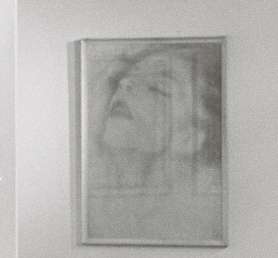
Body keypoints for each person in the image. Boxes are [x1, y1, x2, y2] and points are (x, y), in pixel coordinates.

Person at [86, 42, 223, 242]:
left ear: (190, 137)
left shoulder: (211, 216)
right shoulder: (87, 204)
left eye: (159, 88)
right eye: (122, 79)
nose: (124, 84)